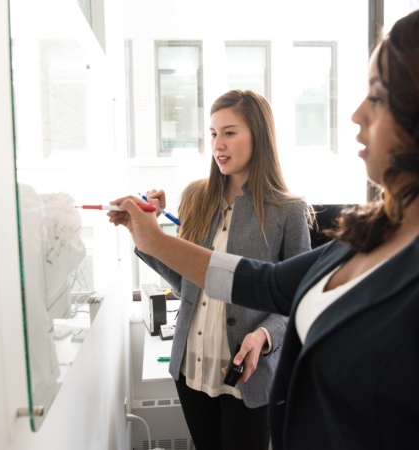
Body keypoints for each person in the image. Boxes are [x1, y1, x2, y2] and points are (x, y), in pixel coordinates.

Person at [112, 2, 419, 448]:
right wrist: (149, 238)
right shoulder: (375, 232)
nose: (357, 115)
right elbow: (266, 282)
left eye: (378, 96)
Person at [136, 90, 313, 450]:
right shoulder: (195, 197)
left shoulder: (288, 210)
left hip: (248, 374)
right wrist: (145, 233)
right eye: (214, 133)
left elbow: (299, 299)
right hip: (191, 368)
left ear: (258, 136)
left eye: (230, 132)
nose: (218, 144)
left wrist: (264, 335)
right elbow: (187, 282)